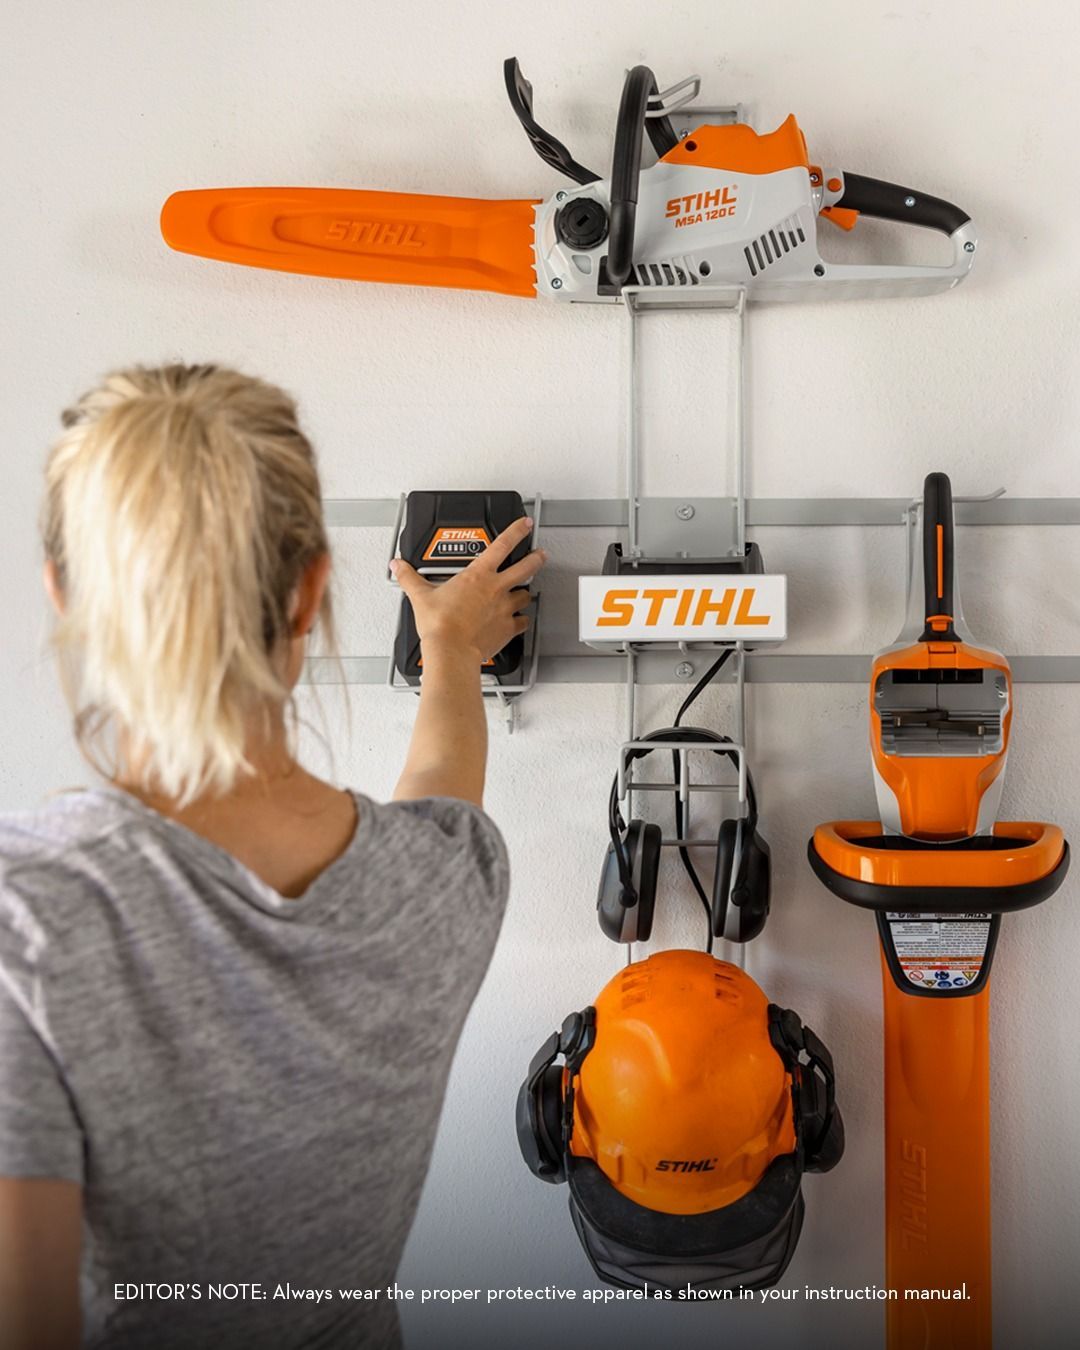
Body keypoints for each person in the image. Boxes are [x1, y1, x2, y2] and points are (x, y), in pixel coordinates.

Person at [0, 364, 546, 1350]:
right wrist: (452, 655)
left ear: (65, 594)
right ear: (309, 594)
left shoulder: (26, 918)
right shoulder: (442, 883)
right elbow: (442, 788)